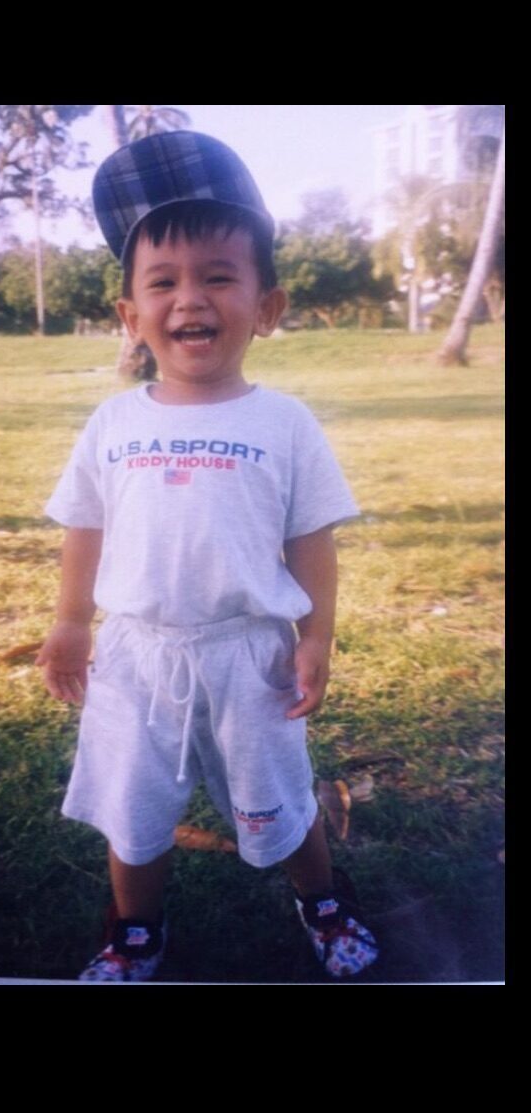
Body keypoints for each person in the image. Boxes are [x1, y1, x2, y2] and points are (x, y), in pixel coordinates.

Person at [36, 131, 379, 983]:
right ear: (131, 316)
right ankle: (136, 929)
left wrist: (315, 639)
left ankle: (321, 900)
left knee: (282, 796)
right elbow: (85, 525)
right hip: (136, 654)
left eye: (220, 277)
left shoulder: (284, 422)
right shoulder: (114, 425)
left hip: (249, 653)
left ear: (267, 304)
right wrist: (72, 621)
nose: (191, 298)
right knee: (134, 806)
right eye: (164, 282)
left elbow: (312, 539)